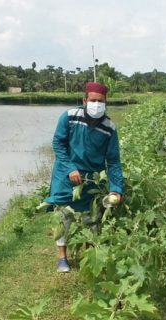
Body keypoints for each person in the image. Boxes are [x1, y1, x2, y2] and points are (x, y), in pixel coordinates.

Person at [43, 81, 123, 272]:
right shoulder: (70, 117)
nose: (96, 105)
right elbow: (58, 144)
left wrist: (116, 189)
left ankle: (90, 254)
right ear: (84, 100)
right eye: (93, 100)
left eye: (100, 101)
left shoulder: (109, 128)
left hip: (91, 181)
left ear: (106, 102)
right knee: (64, 217)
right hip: (65, 176)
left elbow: (113, 161)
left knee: (92, 218)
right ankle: (62, 257)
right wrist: (70, 168)